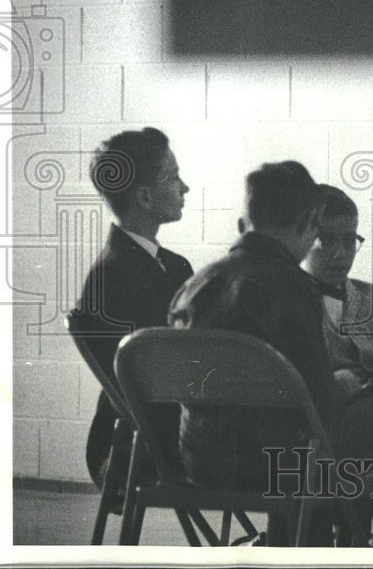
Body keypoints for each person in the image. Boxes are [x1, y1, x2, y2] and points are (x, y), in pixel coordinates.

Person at [168, 162, 340, 498]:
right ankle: (343, 543)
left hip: (199, 462)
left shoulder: (192, 285)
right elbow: (319, 401)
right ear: (310, 222)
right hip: (278, 467)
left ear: (246, 222)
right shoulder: (293, 287)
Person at [71, 127, 192, 492]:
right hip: (137, 447)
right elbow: (150, 384)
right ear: (143, 196)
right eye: (173, 177)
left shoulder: (174, 265)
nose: (184, 187)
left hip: (166, 431)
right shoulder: (113, 275)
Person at [302, 185, 373, 403]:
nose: (341, 254)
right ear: (302, 240)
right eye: (327, 240)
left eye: (349, 240)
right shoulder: (285, 303)